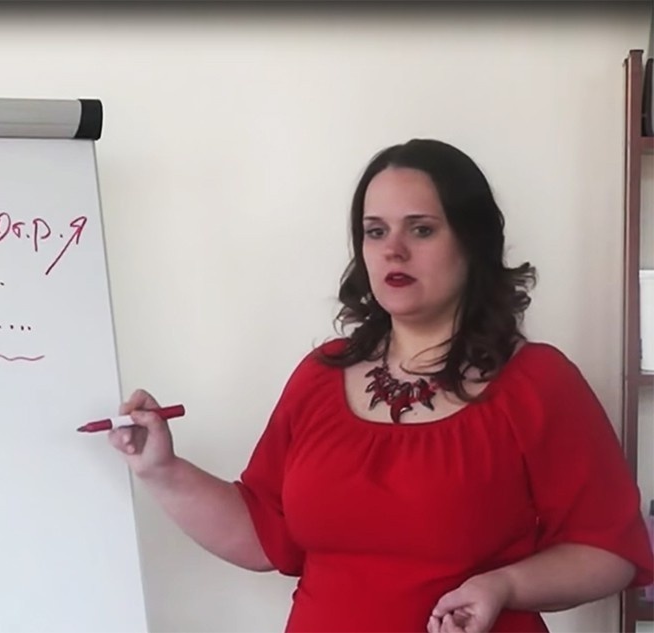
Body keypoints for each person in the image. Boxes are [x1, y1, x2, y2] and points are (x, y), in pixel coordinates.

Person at [108, 139, 654, 633]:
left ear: (473, 242)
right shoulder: (320, 374)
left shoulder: (537, 382)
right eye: (375, 231)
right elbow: (264, 534)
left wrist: (504, 586)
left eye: (421, 229)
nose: (393, 249)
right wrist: (162, 470)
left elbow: (608, 552)